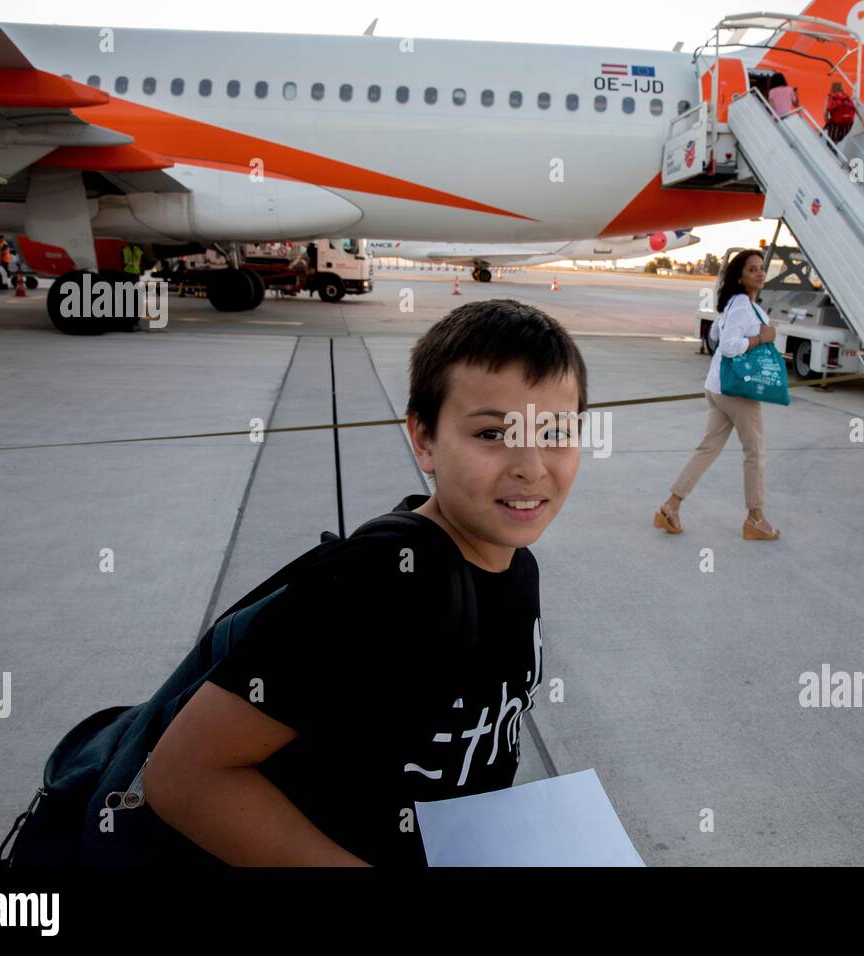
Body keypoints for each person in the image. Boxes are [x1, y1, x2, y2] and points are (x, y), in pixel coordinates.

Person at [142, 299, 587, 866]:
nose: (532, 466)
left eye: (555, 433)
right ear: (424, 439)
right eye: (493, 432)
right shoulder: (378, 586)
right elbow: (184, 777)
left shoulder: (514, 559)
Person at [655, 250, 781, 541]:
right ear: (740, 276)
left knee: (707, 449)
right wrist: (762, 337)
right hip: (738, 392)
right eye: (753, 269)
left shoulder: (739, 305)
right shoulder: (741, 306)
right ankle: (755, 518)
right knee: (755, 453)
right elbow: (728, 345)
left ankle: (670, 507)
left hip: (718, 387)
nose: (760, 273)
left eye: (762, 268)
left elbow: (714, 337)